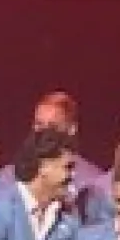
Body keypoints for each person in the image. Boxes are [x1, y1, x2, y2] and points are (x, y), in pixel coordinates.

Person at [33, 92, 108, 223]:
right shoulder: (10, 176)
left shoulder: (93, 182)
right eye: (39, 124)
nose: (44, 133)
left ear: (72, 129)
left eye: (52, 126)